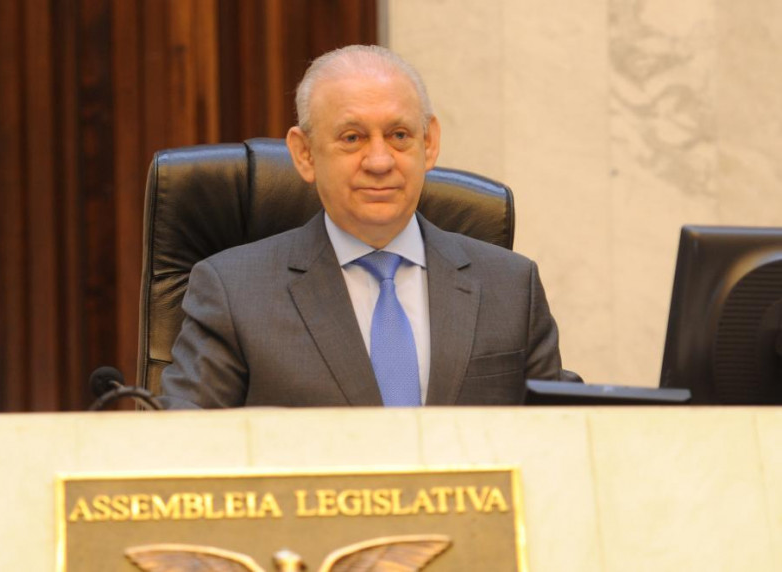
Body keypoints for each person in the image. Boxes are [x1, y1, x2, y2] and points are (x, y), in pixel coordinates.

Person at [160, 45, 572, 409]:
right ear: (304, 154)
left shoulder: (511, 287)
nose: (379, 161)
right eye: (352, 138)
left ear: (429, 143)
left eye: (399, 135)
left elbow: (564, 433)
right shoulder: (233, 292)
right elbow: (184, 446)